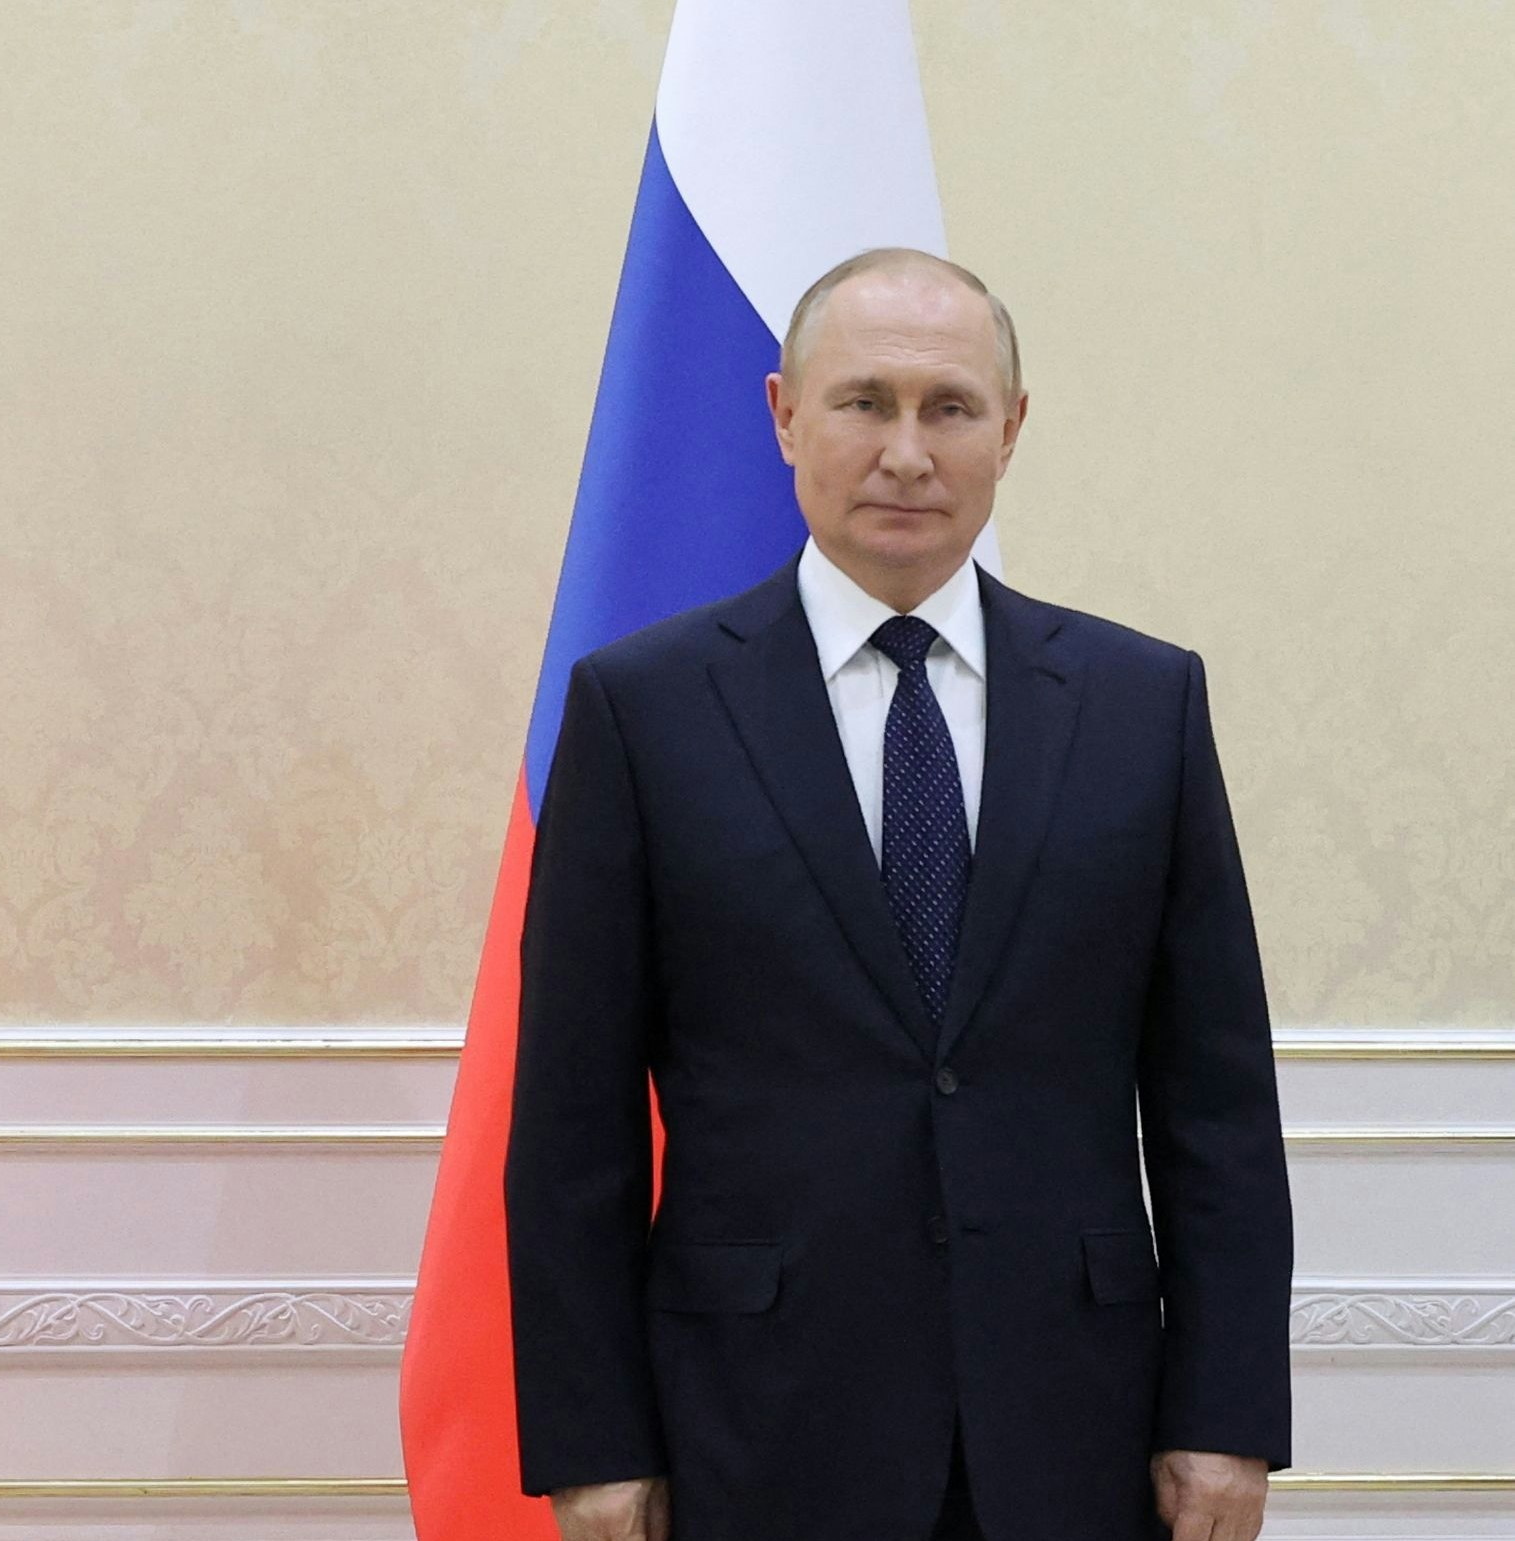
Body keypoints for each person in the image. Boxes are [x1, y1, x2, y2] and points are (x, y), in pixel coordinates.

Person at [504, 248, 1291, 1541]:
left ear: (1013, 428)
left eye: (951, 406)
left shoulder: (1143, 706)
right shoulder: (642, 711)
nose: (907, 451)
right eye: (865, 400)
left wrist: (1227, 1413)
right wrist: (595, 1442)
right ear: (783, 415)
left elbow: (1217, 1106)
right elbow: (571, 1128)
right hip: (756, 1427)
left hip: (1075, 1429)